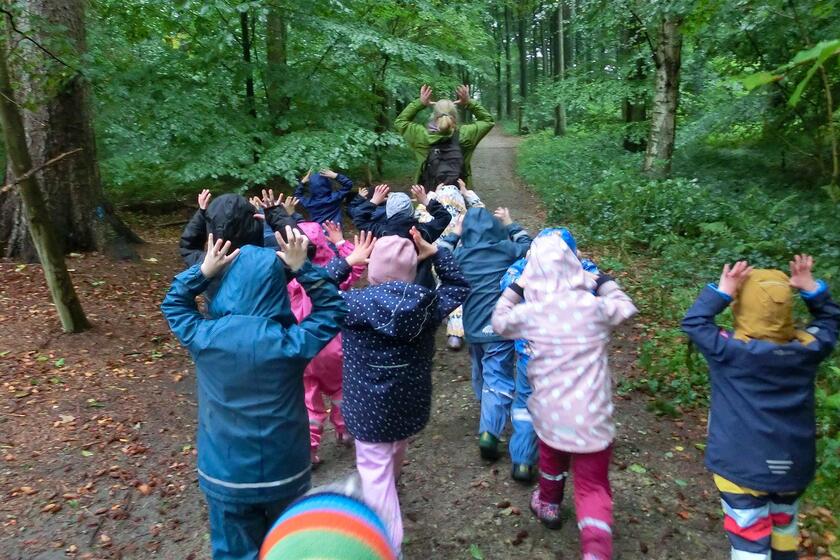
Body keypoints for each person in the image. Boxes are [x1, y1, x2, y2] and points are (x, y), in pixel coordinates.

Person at [161, 227, 362, 560]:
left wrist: (202, 272)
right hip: (285, 472)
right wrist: (304, 270)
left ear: (226, 287)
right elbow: (332, 310)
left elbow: (173, 304)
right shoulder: (291, 343)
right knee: (289, 548)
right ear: (275, 289)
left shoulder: (204, 337)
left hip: (225, 475)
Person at [681, 256, 839, 560]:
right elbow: (830, 322)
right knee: (784, 527)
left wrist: (723, 290)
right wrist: (811, 288)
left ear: (741, 306)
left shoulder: (729, 350)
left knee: (749, 537)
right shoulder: (807, 349)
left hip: (740, 466)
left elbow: (694, 323)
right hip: (793, 466)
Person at [491, 233, 637, 560]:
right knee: (592, 487)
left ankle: (549, 505)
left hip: (549, 417)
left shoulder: (532, 313)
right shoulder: (594, 307)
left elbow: (499, 323)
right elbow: (627, 309)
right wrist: (602, 281)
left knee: (552, 462)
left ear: (532, 273)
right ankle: (596, 550)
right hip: (593, 421)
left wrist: (516, 288)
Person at [325, 228, 470, 555]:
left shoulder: (351, 305)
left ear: (373, 268)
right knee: (395, 446)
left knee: (373, 473)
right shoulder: (427, 306)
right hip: (409, 405)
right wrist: (436, 254)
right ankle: (391, 484)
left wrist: (347, 261)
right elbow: (459, 285)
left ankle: (388, 544)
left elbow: (317, 289)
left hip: (367, 409)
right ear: (412, 269)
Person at [498, 227, 599, 483]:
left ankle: (523, 458)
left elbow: (506, 288)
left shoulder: (521, 271)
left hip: (530, 355)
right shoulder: (583, 273)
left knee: (525, 403)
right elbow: (597, 288)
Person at [439, 207, 531, 460]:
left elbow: (440, 253)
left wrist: (455, 233)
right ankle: (490, 430)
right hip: (501, 328)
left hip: (473, 326)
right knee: (497, 374)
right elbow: (529, 246)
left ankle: (488, 407)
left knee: (480, 367)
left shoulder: (460, 255)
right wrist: (511, 223)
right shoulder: (507, 250)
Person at [289, 221, 367, 465]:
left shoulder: (290, 281)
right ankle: (345, 431)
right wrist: (341, 243)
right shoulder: (332, 277)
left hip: (302, 351)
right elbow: (356, 265)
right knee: (341, 392)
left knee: (308, 402)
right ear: (321, 245)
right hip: (333, 349)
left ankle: (309, 450)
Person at [414, 179, 484, 351]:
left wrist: (432, 194)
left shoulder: (431, 216)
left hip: (432, 256)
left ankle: (437, 318)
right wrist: (466, 191)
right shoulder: (466, 216)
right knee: (455, 288)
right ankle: (455, 334)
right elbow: (480, 209)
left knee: (437, 287)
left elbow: (418, 211)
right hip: (458, 258)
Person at [348, 184, 452, 289]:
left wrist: (374, 201)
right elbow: (444, 217)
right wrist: (426, 200)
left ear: (388, 211)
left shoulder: (380, 232)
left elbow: (359, 218)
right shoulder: (423, 232)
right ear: (412, 211)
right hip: (420, 287)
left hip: (385, 287)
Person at [395, 84, 494, 188]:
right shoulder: (466, 134)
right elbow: (488, 121)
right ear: (455, 116)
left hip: (427, 195)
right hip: (460, 195)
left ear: (434, 117)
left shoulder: (421, 136)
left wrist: (420, 103)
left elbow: (400, 122)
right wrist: (469, 102)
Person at [179, 189, 298, 268]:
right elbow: (304, 252)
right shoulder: (270, 264)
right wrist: (275, 216)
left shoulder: (207, 267)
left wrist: (202, 213)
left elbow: (188, 246)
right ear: (254, 226)